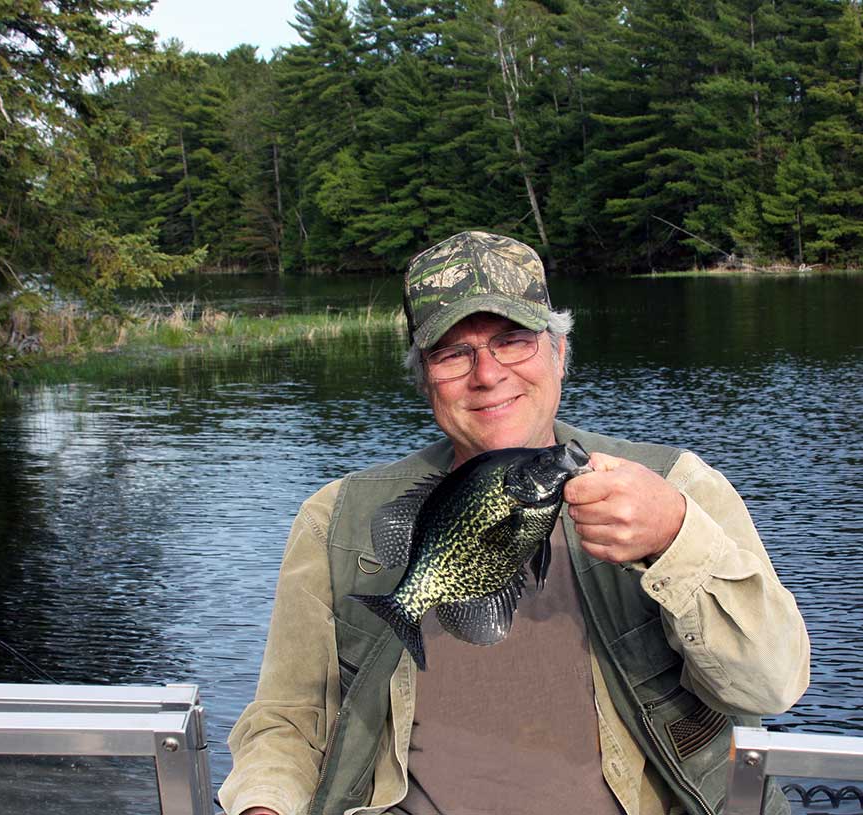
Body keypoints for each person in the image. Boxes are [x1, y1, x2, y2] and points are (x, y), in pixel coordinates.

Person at [219, 231, 810, 815]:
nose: (487, 373)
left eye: (512, 341)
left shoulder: (677, 488)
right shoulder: (337, 519)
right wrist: (264, 805)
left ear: (558, 352)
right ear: (424, 378)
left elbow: (769, 688)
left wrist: (675, 538)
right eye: (452, 353)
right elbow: (288, 718)